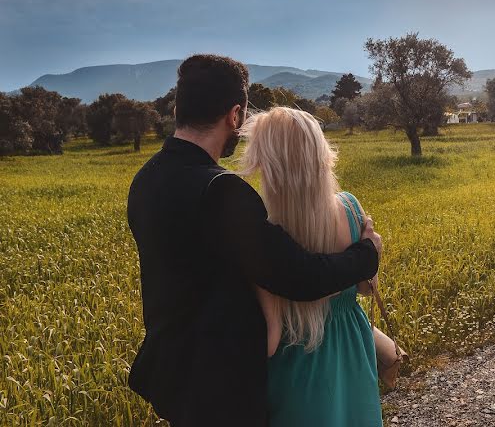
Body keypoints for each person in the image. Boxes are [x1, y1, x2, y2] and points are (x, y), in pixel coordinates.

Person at [126, 54, 382, 426]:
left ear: (178, 108)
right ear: (234, 115)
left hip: (173, 373)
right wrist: (367, 253)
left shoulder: (145, 180)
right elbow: (300, 276)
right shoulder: (221, 190)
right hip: (224, 381)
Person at [239, 106, 382, 427]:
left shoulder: (263, 231)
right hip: (353, 353)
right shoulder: (350, 207)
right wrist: (375, 251)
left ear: (267, 164)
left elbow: (271, 339)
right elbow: (365, 287)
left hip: (297, 368)